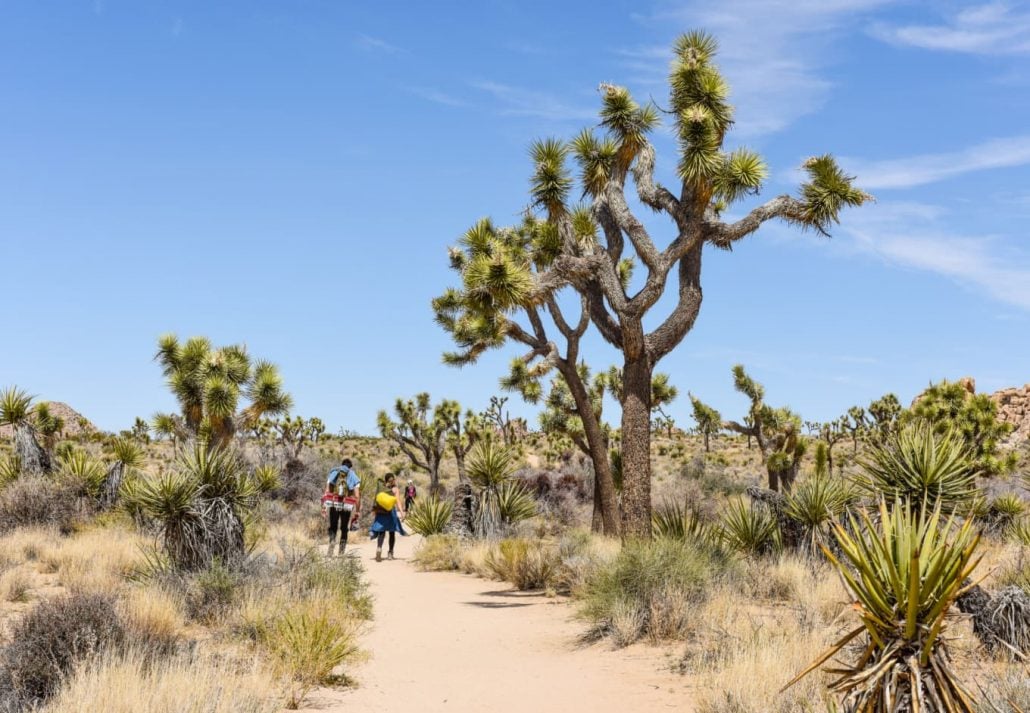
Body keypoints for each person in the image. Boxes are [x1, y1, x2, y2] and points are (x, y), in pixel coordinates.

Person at [324, 458, 361, 557]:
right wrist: (357, 511)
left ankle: (331, 546)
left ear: (342, 465)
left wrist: (325, 505)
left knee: (333, 526)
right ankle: (341, 552)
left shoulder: (334, 472)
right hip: (346, 504)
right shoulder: (353, 475)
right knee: (344, 528)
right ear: (350, 467)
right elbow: (357, 496)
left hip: (334, 503)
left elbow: (327, 490)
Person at [369, 472, 406, 562]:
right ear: (393, 480)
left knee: (381, 532)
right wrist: (402, 512)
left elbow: (376, 499)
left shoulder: (382, 488)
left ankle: (379, 548)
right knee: (392, 533)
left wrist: (374, 511)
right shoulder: (395, 489)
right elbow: (398, 502)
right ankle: (390, 553)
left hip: (381, 512)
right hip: (391, 512)